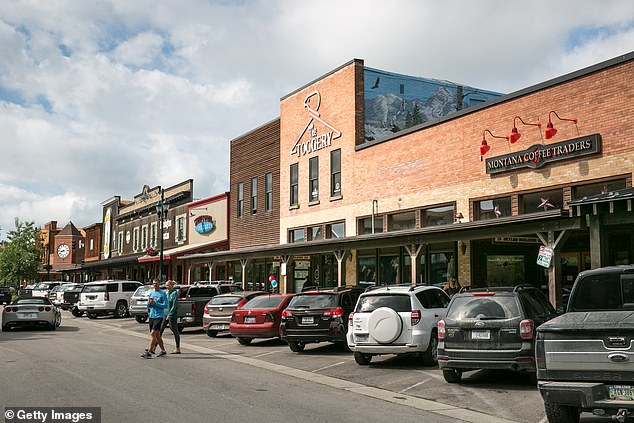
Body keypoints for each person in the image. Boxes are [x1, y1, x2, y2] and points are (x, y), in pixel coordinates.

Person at [141, 279, 168, 358]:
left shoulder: (162, 293)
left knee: (153, 333)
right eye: (154, 283)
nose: (155, 285)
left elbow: (165, 305)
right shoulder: (151, 293)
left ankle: (149, 352)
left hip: (159, 316)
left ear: (159, 284)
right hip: (152, 316)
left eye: (156, 283)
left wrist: (156, 303)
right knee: (157, 335)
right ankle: (163, 350)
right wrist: (149, 304)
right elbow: (148, 305)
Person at [160, 280, 181, 354]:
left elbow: (174, 306)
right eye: (166, 285)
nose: (167, 287)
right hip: (165, 313)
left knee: (174, 330)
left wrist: (170, 315)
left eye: (168, 285)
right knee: (160, 330)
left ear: (172, 286)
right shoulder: (166, 293)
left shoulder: (174, 293)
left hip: (172, 315)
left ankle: (177, 348)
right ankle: (154, 347)